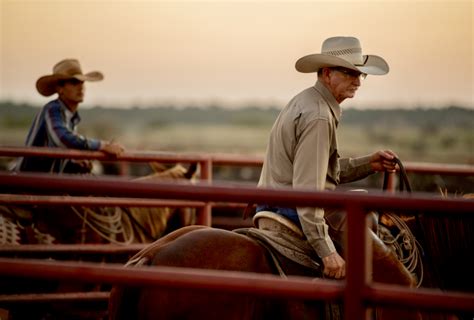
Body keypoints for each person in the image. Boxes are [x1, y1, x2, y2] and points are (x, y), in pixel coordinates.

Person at [256, 36, 402, 280]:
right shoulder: (319, 116)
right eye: (349, 73)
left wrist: (369, 163)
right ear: (326, 73)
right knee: (364, 221)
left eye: (360, 75)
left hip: (276, 202)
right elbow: (308, 190)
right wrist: (326, 251)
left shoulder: (308, 101)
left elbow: (319, 171)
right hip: (289, 209)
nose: (357, 81)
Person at [15, 58, 124, 173]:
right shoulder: (52, 109)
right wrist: (102, 145)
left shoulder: (70, 117)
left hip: (47, 181)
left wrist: (74, 161)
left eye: (82, 82)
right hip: (30, 183)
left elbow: (60, 148)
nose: (81, 87)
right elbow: (62, 139)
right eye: (74, 82)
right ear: (60, 88)